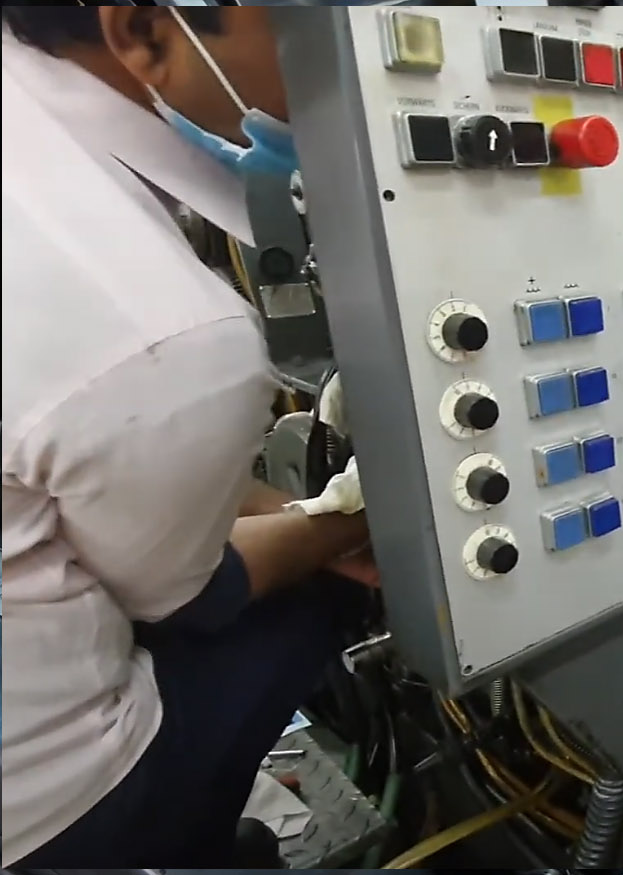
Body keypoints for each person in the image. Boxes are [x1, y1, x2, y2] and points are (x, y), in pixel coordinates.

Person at [2, 7, 375, 866]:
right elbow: (185, 596)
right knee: (319, 598)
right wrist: (354, 522)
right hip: (33, 802)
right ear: (143, 30)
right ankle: (170, 831)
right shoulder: (165, 330)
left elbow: (72, 448)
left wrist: (281, 506)